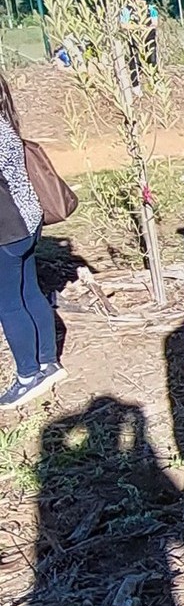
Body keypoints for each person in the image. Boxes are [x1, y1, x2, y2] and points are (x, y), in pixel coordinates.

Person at [0, 74, 64, 409]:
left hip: (7, 229)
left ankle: (28, 376)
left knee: (8, 304)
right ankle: (48, 362)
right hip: (27, 222)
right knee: (30, 291)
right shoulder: (5, 121)